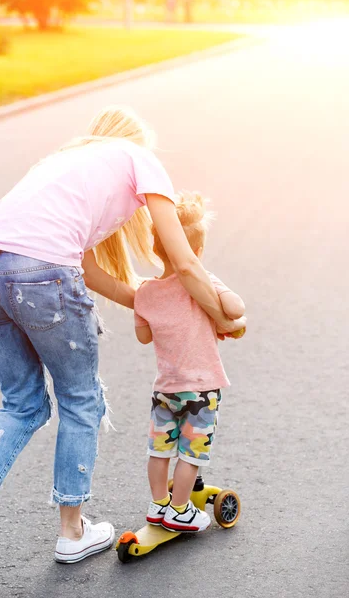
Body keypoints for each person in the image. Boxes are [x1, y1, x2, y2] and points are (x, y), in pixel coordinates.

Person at [0, 106, 246, 581]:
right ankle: (72, 533)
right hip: (41, 275)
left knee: (20, 404)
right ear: (135, 140)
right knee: (80, 399)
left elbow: (88, 271)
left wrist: (158, 306)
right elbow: (186, 263)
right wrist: (219, 316)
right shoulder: (139, 159)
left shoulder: (63, 163)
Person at [134, 191, 246, 532]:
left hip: (165, 390)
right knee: (191, 454)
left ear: (156, 248)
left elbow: (143, 336)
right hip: (200, 390)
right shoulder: (204, 283)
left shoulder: (146, 292)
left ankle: (158, 505)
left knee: (160, 450)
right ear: (196, 252)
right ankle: (180, 510)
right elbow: (236, 309)